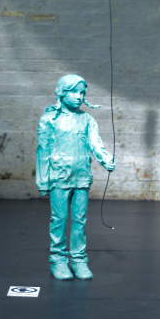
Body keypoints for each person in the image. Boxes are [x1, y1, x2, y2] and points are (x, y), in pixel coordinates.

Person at [36, 75, 115, 280]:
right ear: (62, 93)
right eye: (74, 92)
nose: (79, 96)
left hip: (81, 176)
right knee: (59, 219)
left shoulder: (87, 119)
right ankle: (58, 259)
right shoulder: (49, 119)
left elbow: (95, 144)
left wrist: (105, 158)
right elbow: (43, 150)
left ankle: (79, 260)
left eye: (82, 93)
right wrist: (42, 180)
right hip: (59, 176)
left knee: (80, 220)